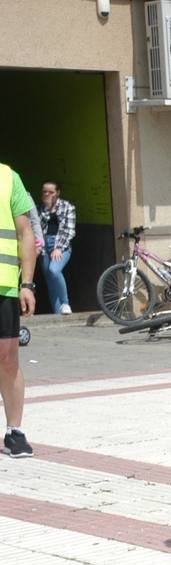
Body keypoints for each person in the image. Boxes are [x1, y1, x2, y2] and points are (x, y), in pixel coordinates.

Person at [0, 161, 37, 458]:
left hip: (5, 286)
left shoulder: (9, 177)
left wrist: (27, 284)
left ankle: (15, 433)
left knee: (8, 358)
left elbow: (25, 233)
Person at [36, 181, 75, 315]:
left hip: (61, 245)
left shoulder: (67, 207)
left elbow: (69, 230)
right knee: (50, 281)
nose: (47, 194)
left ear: (57, 193)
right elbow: (37, 227)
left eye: (51, 192)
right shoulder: (40, 208)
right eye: (44, 192)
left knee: (54, 270)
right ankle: (57, 314)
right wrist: (47, 207)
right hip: (44, 246)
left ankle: (65, 303)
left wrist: (58, 248)